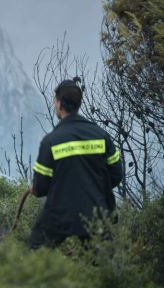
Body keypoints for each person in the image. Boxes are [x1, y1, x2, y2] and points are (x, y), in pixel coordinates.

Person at [29, 77, 123, 249]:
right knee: (101, 266)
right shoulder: (101, 135)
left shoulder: (51, 141)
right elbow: (117, 175)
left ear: (58, 104)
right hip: (97, 215)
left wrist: (36, 188)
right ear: (79, 103)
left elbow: (40, 187)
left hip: (60, 218)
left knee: (34, 253)